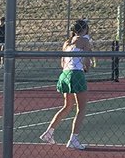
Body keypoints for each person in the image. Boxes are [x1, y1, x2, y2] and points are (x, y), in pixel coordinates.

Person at [40, 19, 94, 149]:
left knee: (68, 105)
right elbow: (87, 59)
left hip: (64, 74)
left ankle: (49, 132)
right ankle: (73, 139)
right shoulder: (85, 41)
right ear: (85, 29)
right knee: (81, 109)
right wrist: (87, 67)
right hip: (76, 74)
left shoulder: (66, 43)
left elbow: (62, 63)